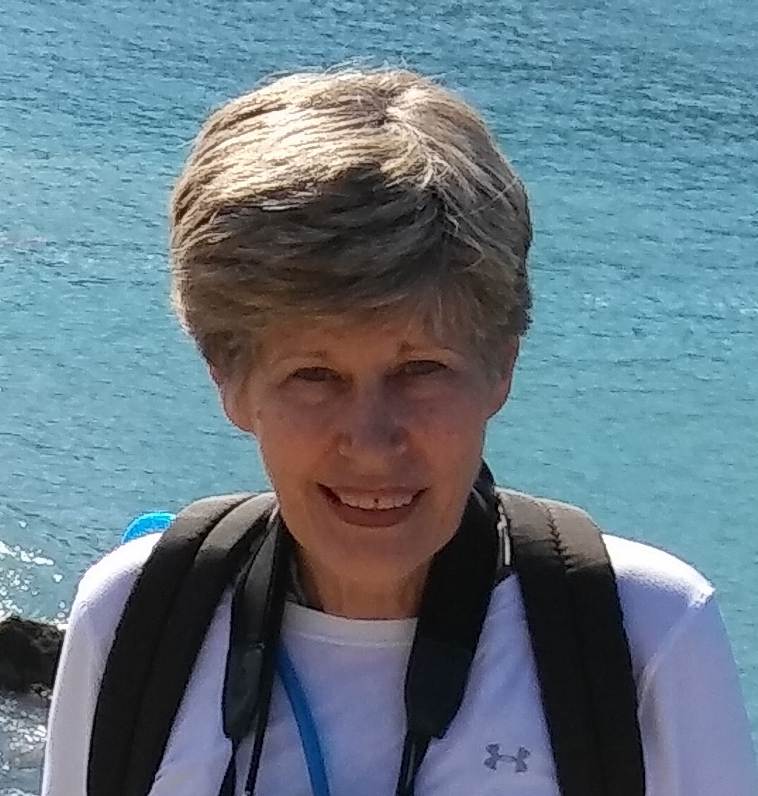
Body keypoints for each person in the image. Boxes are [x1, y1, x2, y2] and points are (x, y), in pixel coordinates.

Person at [41, 67, 758, 796]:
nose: (372, 440)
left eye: (421, 369)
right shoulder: (140, 618)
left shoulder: (641, 634)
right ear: (229, 378)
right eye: (315, 376)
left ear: (500, 366)